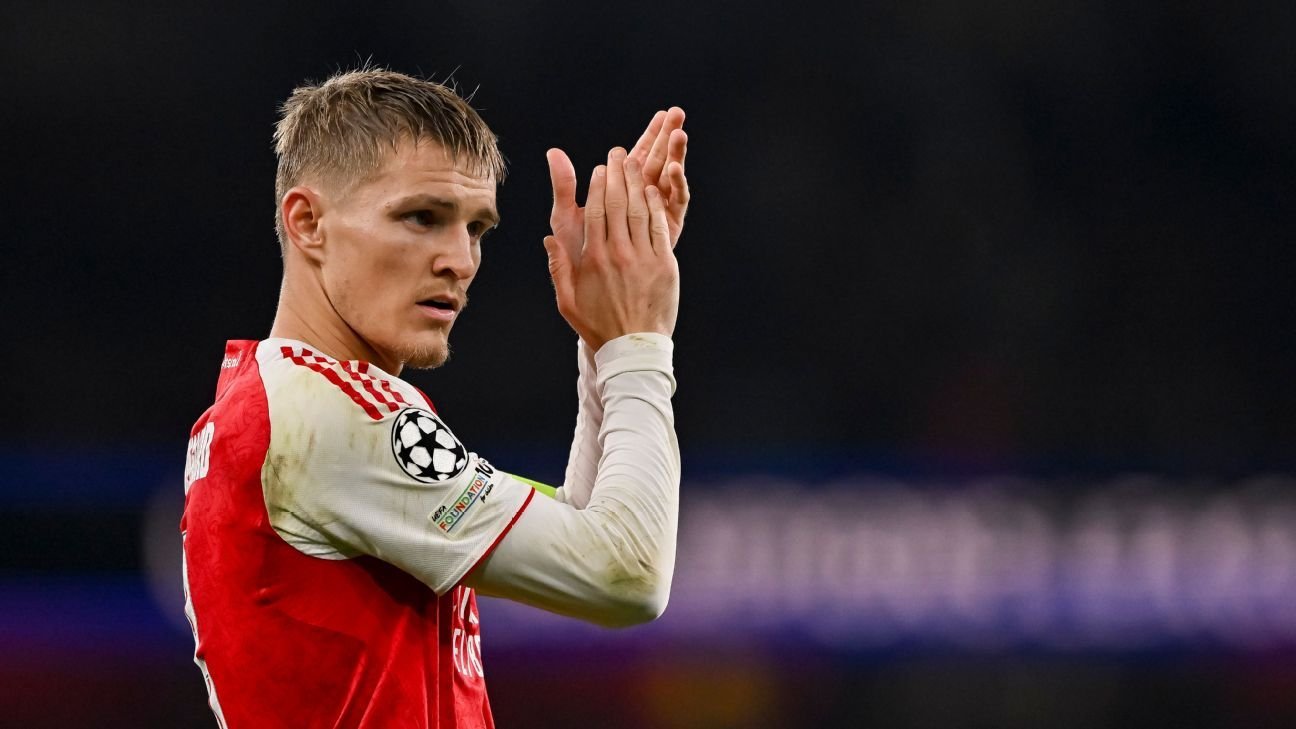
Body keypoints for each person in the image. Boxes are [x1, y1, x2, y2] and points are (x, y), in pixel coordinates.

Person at [180, 67, 689, 728]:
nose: (460, 260)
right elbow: (625, 575)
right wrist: (639, 341)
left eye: (476, 229)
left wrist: (601, 343)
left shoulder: (280, 406)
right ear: (307, 223)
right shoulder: (325, 417)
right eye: (422, 217)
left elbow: (581, 529)